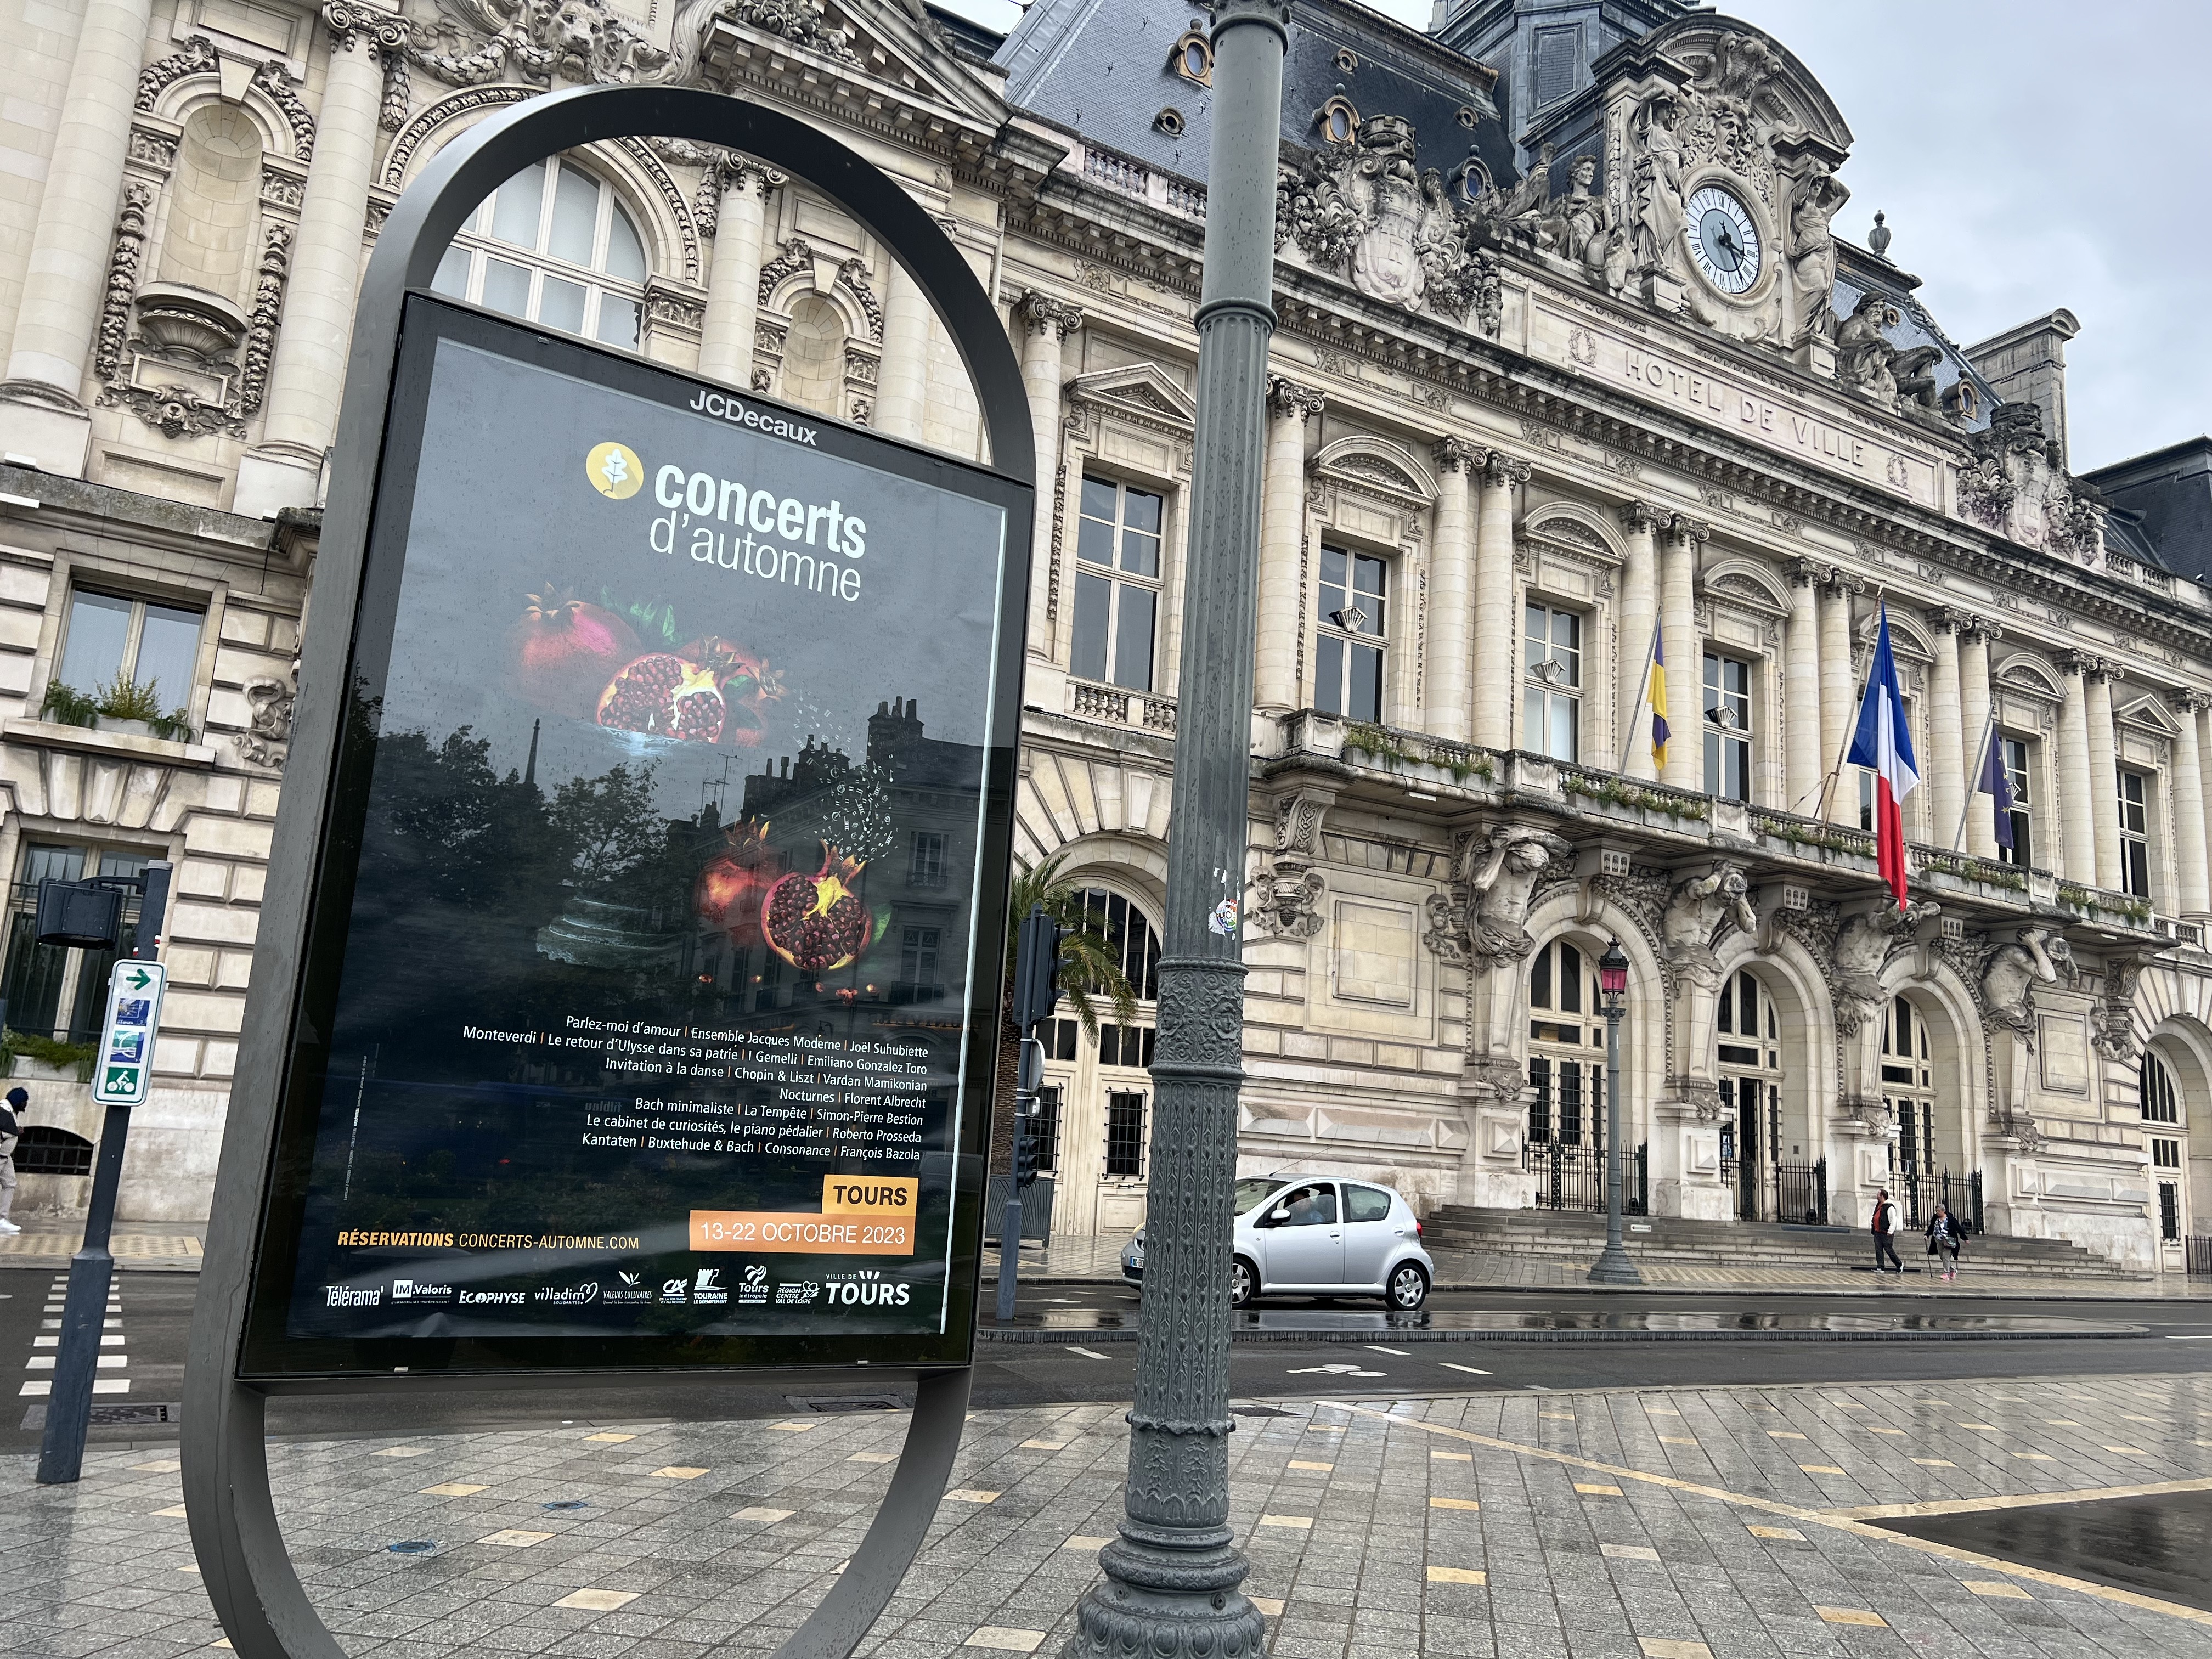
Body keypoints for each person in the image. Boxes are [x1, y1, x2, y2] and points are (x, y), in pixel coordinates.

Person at [0, 1086, 21, 1235]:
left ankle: (2, 1219)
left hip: (6, 1156)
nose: (26, 1104)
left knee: (10, 1183)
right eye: (24, 1101)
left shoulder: (10, 1112)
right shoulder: (4, 1111)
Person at [1926, 1202, 1963, 1282]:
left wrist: (1965, 1238)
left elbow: (1958, 1227)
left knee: (1946, 1257)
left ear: (1943, 1211)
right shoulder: (1935, 1218)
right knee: (1941, 1256)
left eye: (1938, 1211)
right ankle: (1952, 1270)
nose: (1937, 1212)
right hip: (1938, 1239)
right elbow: (1932, 1227)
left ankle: (1946, 1273)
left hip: (1949, 1240)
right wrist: (1927, 1234)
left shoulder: (1950, 1218)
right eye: (1936, 1211)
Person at [1870, 1188, 1902, 1273]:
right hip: (1877, 1232)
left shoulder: (1889, 1207)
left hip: (1886, 1233)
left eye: (1878, 1194)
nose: (1877, 1195)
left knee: (1888, 1249)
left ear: (1882, 1196)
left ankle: (1899, 1264)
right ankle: (1880, 1267)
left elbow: (1893, 1220)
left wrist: (1890, 1231)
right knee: (1878, 1250)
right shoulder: (1879, 1205)